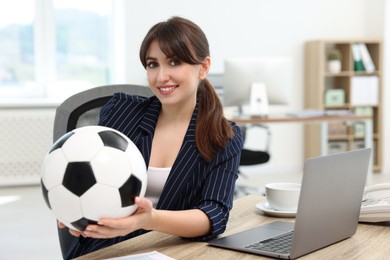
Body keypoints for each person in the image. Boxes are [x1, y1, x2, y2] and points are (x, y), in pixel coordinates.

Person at [60, 16, 243, 259]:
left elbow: (214, 215)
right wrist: (74, 209)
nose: (160, 77)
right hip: (107, 249)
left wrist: (149, 220)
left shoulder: (223, 136)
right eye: (152, 64)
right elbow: (87, 177)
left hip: (172, 250)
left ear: (204, 67)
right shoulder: (121, 111)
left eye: (174, 62)